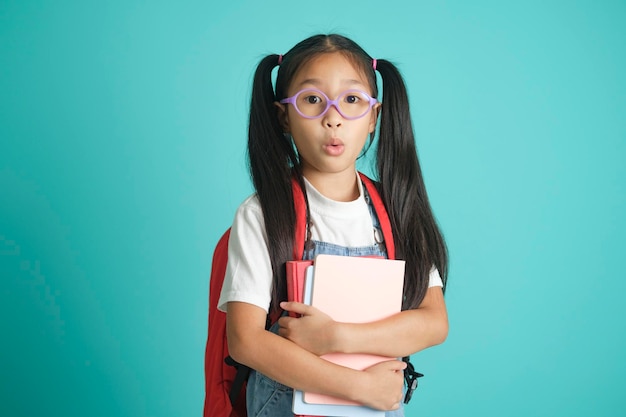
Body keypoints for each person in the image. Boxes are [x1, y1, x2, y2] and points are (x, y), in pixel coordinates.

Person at [217, 33, 448, 417]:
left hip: (377, 406)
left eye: (352, 100)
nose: (333, 118)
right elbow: (245, 340)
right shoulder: (263, 213)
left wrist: (338, 336)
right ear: (284, 118)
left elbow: (434, 322)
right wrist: (357, 386)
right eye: (312, 101)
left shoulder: (398, 212)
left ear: (374, 117)